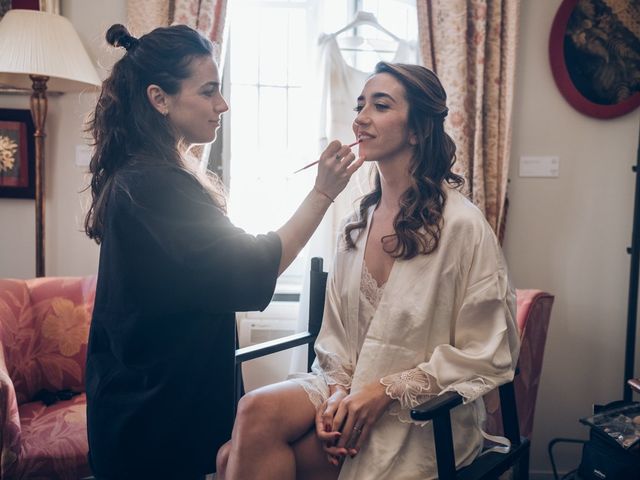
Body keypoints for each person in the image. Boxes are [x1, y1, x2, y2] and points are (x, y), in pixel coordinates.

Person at [83, 23, 363, 480]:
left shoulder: (151, 172)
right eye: (209, 91)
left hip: (152, 401)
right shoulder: (154, 183)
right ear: (160, 98)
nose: (223, 105)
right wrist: (322, 195)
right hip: (150, 418)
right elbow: (249, 269)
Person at [216, 62, 520, 480]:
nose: (360, 118)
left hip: (419, 412)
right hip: (347, 386)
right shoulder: (357, 222)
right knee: (254, 409)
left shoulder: (463, 227)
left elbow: (487, 353)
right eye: (360, 105)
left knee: (229, 457)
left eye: (380, 106)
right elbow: (338, 338)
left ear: (416, 130)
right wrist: (339, 389)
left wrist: (386, 389)